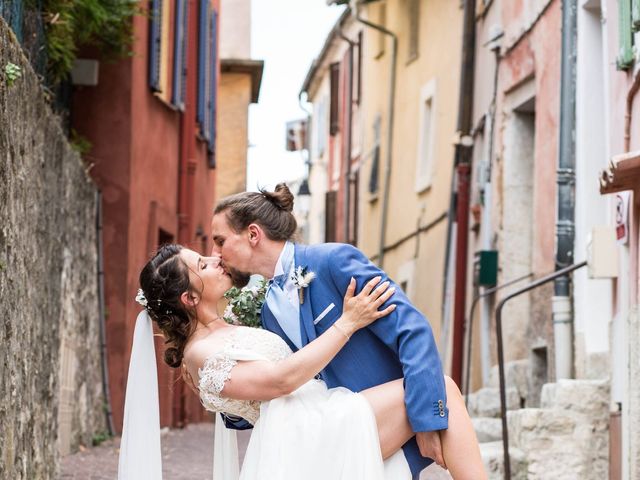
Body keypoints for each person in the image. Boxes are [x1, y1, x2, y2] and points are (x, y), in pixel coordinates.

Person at [125, 244, 484, 480]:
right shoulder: (199, 354)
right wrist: (348, 321)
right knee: (446, 392)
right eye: (202, 264)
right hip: (303, 434)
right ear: (189, 297)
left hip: (315, 420)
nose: (216, 258)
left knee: (436, 402)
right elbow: (280, 381)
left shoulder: (229, 323)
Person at [210, 183, 485, 479]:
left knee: (444, 389)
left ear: (253, 234)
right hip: (333, 432)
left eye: (220, 240)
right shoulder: (268, 310)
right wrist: (223, 391)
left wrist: (425, 421)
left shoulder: (333, 261)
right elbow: (284, 384)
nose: (215, 253)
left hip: (381, 426)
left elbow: (412, 330)